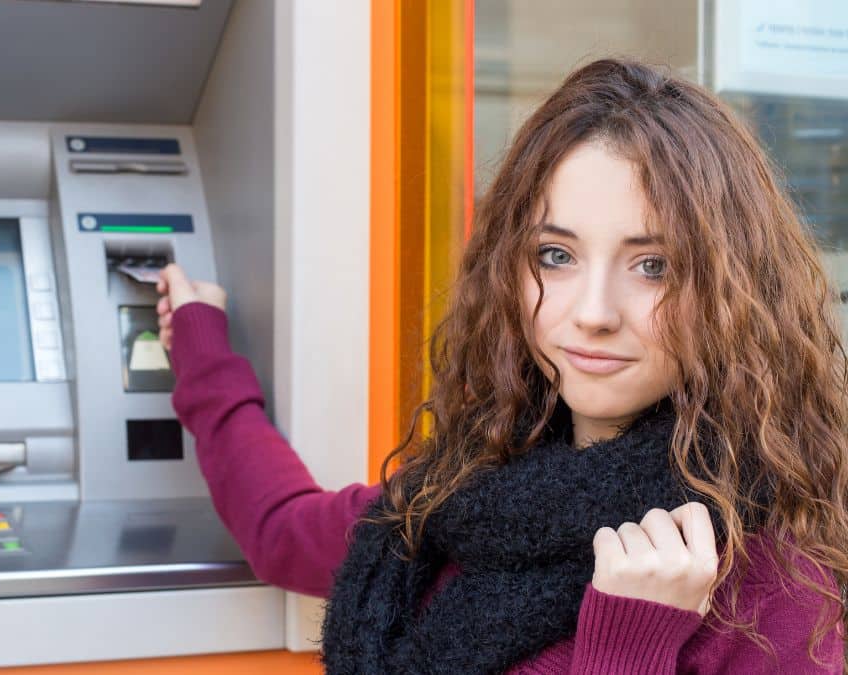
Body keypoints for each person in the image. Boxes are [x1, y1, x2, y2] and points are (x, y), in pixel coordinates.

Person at [154, 58, 848, 673]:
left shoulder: (773, 587)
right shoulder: (463, 502)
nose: (593, 311)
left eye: (653, 266)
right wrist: (199, 343)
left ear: (733, 290)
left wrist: (629, 643)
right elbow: (282, 529)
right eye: (557, 254)